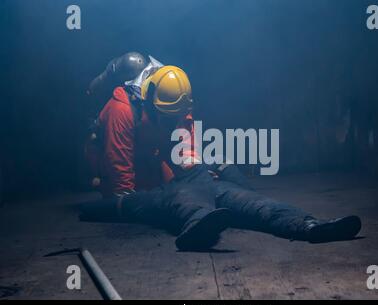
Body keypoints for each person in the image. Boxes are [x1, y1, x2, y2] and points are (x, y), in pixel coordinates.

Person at [81, 52, 362, 251]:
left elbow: (186, 158)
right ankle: (197, 224)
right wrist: (121, 206)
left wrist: (229, 182)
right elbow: (120, 182)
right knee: (183, 195)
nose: (173, 123)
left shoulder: (177, 105)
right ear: (150, 101)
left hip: (173, 177)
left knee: (246, 201)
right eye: (167, 118)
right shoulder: (122, 109)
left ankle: (310, 226)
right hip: (137, 185)